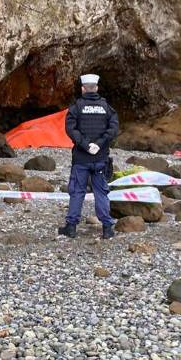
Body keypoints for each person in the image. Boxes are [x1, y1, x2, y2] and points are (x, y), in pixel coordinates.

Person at [59, 74, 119, 239]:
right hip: (100, 158)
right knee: (101, 192)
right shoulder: (107, 107)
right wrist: (99, 144)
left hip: (81, 158)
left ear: (83, 89)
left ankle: (71, 228)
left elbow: (71, 129)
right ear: (97, 88)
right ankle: (107, 228)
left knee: (77, 192)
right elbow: (113, 129)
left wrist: (86, 145)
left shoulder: (76, 107)